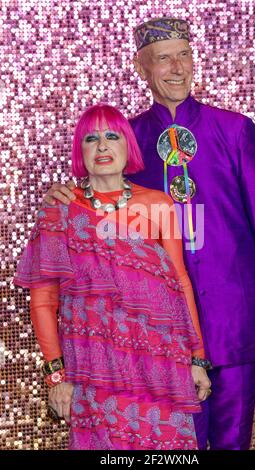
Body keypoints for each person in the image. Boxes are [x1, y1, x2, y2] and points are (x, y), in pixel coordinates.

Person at [43, 18, 255, 450]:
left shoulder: (234, 130)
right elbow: (104, 201)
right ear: (142, 68)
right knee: (171, 447)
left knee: (234, 441)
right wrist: (67, 193)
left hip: (236, 318)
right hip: (159, 333)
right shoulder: (129, 137)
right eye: (163, 59)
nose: (177, 68)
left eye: (184, 55)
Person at [14, 103, 211, 450]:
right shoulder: (60, 207)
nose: (102, 146)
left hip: (158, 364)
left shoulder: (159, 204)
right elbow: (43, 301)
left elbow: (180, 283)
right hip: (93, 370)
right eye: (91, 138)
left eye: (112, 136)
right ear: (80, 151)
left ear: (128, 146)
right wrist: (57, 377)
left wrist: (196, 358)